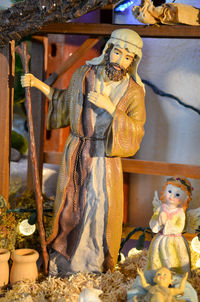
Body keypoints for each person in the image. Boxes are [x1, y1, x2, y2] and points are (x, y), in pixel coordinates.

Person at [21, 29, 146, 275]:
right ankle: (65, 265)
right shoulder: (84, 74)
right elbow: (64, 101)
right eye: (117, 53)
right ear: (108, 51)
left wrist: (111, 108)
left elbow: (136, 129)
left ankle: (94, 266)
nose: (120, 61)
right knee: (70, 206)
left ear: (133, 61)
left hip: (104, 160)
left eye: (127, 57)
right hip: (77, 151)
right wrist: (37, 84)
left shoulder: (133, 92)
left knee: (98, 209)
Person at [147, 176, 192, 275]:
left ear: (185, 198)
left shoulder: (180, 212)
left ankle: (175, 277)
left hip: (175, 241)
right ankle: (156, 276)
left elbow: (179, 227)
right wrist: (159, 221)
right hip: (160, 239)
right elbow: (154, 221)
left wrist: (167, 223)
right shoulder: (161, 208)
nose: (172, 196)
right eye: (170, 191)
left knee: (172, 259)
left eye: (177, 194)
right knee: (157, 258)